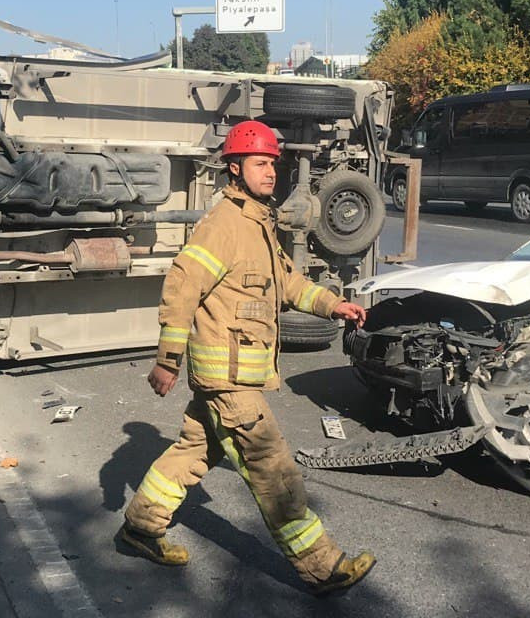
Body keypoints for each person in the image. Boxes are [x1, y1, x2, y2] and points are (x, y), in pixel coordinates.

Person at [117, 119, 376, 596]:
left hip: (236, 376)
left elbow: (290, 283)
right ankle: (322, 566)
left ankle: (140, 527)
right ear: (235, 168)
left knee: (195, 450)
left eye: (273, 163)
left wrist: (332, 304)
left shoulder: (258, 223)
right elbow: (181, 288)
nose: (270, 172)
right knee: (271, 466)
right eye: (260, 163)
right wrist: (167, 360)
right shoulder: (224, 226)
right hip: (227, 378)